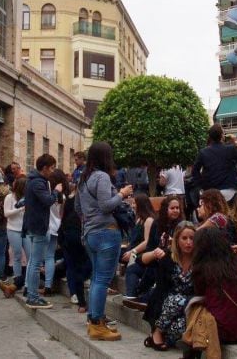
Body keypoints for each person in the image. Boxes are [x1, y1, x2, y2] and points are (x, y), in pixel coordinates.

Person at [75, 142, 133, 340]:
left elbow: (78, 208)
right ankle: (97, 324)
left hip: (90, 233)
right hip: (106, 233)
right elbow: (106, 205)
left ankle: (94, 319)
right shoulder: (101, 177)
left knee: (96, 278)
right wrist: (122, 194)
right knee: (101, 280)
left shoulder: (84, 178)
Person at [188, 226, 237, 358]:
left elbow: (199, 294)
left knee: (194, 308)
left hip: (222, 331)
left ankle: (190, 351)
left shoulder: (203, 268)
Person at [142, 221, 196, 351]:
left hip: (189, 304)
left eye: (192, 238)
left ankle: (165, 338)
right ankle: (157, 332)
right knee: (176, 300)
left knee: (180, 327)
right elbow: (160, 290)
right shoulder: (168, 258)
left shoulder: (199, 260)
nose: (188, 242)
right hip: (168, 303)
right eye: (184, 238)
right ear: (177, 240)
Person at [127, 195, 185, 309]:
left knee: (159, 266)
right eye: (172, 208)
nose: (176, 211)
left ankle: (143, 295)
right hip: (156, 257)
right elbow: (150, 246)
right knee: (136, 264)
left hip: (173, 260)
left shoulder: (182, 225)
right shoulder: (157, 224)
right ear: (165, 209)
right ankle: (133, 295)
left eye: (177, 208)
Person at [24, 154, 64, 309]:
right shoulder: (38, 183)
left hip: (36, 226)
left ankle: (31, 294)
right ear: (45, 167)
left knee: (33, 262)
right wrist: (55, 191)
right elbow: (48, 201)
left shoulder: (34, 181)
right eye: (52, 168)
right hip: (38, 226)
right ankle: (33, 297)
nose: (53, 171)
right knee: (35, 263)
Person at [59, 176, 91, 312]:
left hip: (68, 234)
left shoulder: (70, 200)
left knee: (72, 266)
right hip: (77, 234)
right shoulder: (84, 201)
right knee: (81, 265)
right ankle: (80, 297)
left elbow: (63, 216)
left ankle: (76, 296)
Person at [192, 124, 237, 202]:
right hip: (229, 190)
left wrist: (202, 185)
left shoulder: (203, 152)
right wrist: (236, 141)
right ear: (222, 135)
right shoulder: (230, 149)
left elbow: (195, 171)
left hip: (211, 191)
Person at [123, 194, 157, 299]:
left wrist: (132, 251)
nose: (132, 206)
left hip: (141, 253)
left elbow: (147, 242)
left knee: (132, 268)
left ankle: (131, 294)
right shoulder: (138, 220)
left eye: (134, 203)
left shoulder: (149, 220)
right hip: (133, 249)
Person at [42, 169, 67, 295]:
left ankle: (39, 284)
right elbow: (62, 215)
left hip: (46, 227)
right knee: (50, 256)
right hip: (56, 227)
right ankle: (48, 285)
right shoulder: (62, 197)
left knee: (41, 256)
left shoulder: (48, 195)